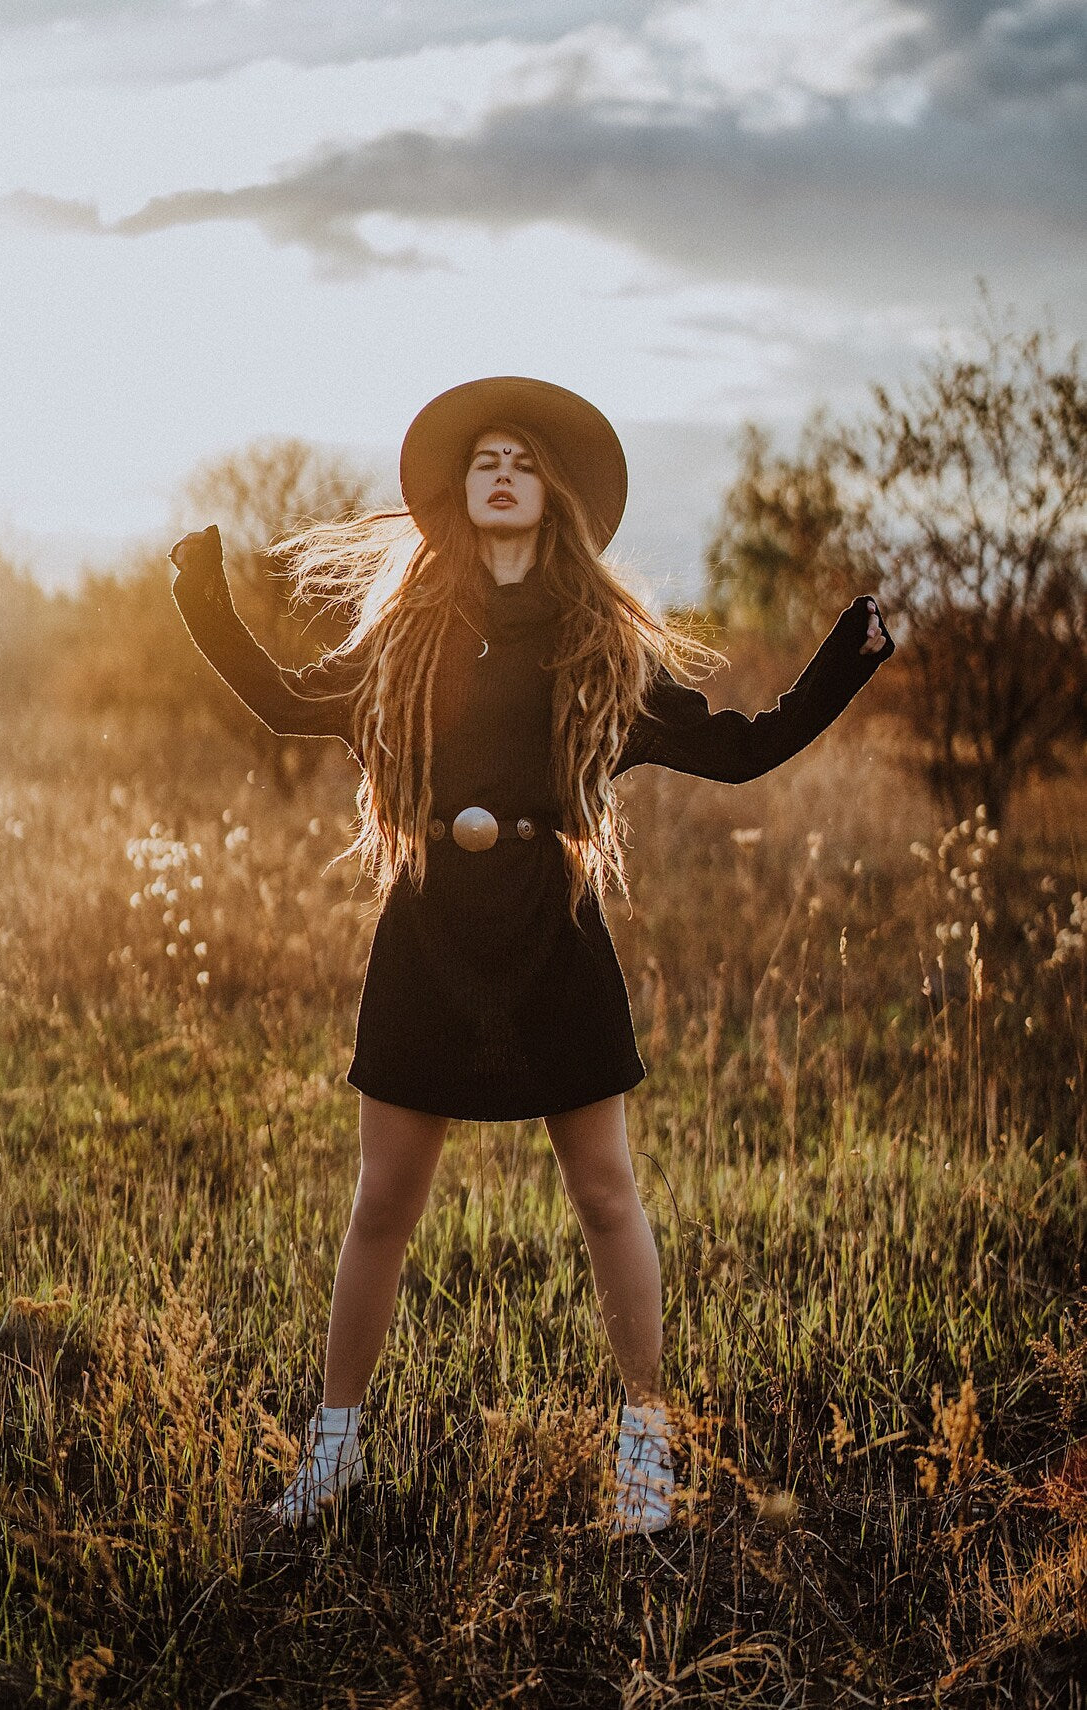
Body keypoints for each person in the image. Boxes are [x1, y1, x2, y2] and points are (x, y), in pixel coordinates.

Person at [169, 375, 895, 1538]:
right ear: (462, 491)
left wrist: (843, 661)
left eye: (521, 459)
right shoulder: (406, 637)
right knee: (383, 1206)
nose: (501, 470)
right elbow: (280, 700)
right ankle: (331, 1463)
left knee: (607, 1195)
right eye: (484, 459)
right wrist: (202, 597)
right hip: (428, 935)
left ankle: (644, 1463)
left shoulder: (600, 645)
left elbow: (744, 751)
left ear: (549, 492)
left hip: (554, 938)